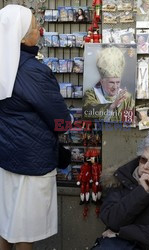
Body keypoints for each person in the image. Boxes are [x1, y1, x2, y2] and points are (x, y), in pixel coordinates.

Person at [0, 5, 72, 250]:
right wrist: (68, 124)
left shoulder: (5, 65)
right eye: (33, 27)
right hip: (32, 162)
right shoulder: (32, 71)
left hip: (6, 157)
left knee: (6, 224)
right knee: (25, 233)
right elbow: (59, 119)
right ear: (21, 36)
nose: (39, 31)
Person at [92, 134, 149, 250]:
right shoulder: (122, 179)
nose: (145, 166)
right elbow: (111, 220)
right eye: (143, 159)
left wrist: (123, 232)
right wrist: (141, 192)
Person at [83, 46, 135, 123]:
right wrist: (112, 105)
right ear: (102, 81)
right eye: (111, 82)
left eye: (118, 82)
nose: (115, 87)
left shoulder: (127, 97)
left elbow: (129, 121)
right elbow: (88, 111)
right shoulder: (91, 94)